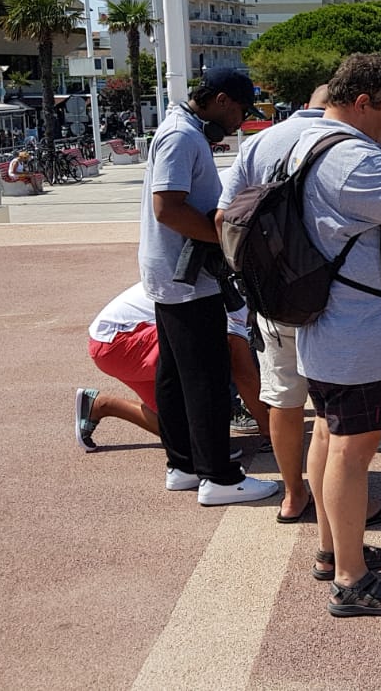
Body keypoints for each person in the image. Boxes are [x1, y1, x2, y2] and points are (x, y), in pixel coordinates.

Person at [290, 53, 381, 617]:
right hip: (360, 330)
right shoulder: (351, 158)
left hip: (328, 322)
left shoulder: (303, 141)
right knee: (354, 451)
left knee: (329, 438)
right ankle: (352, 581)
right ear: (361, 103)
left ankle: (334, 551)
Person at [139, 67, 279, 507]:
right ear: (220, 100)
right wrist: (224, 239)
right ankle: (218, 476)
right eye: (239, 111)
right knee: (207, 378)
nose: (240, 121)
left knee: (176, 374)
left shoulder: (179, 130)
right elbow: (168, 208)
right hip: (187, 276)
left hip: (172, 272)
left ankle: (183, 464)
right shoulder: (183, 136)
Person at [215, 84, 330, 523]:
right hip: (328, 294)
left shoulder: (261, 141)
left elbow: (224, 218)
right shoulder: (343, 141)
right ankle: (336, 494)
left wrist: (247, 272)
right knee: (331, 399)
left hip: (273, 293)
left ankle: (293, 494)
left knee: (283, 399)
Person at [76, 283, 265, 451]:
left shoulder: (224, 279)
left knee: (181, 435)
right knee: (215, 350)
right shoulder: (234, 299)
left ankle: (102, 405)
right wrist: (270, 431)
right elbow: (243, 373)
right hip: (119, 341)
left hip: (112, 343)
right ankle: (225, 420)